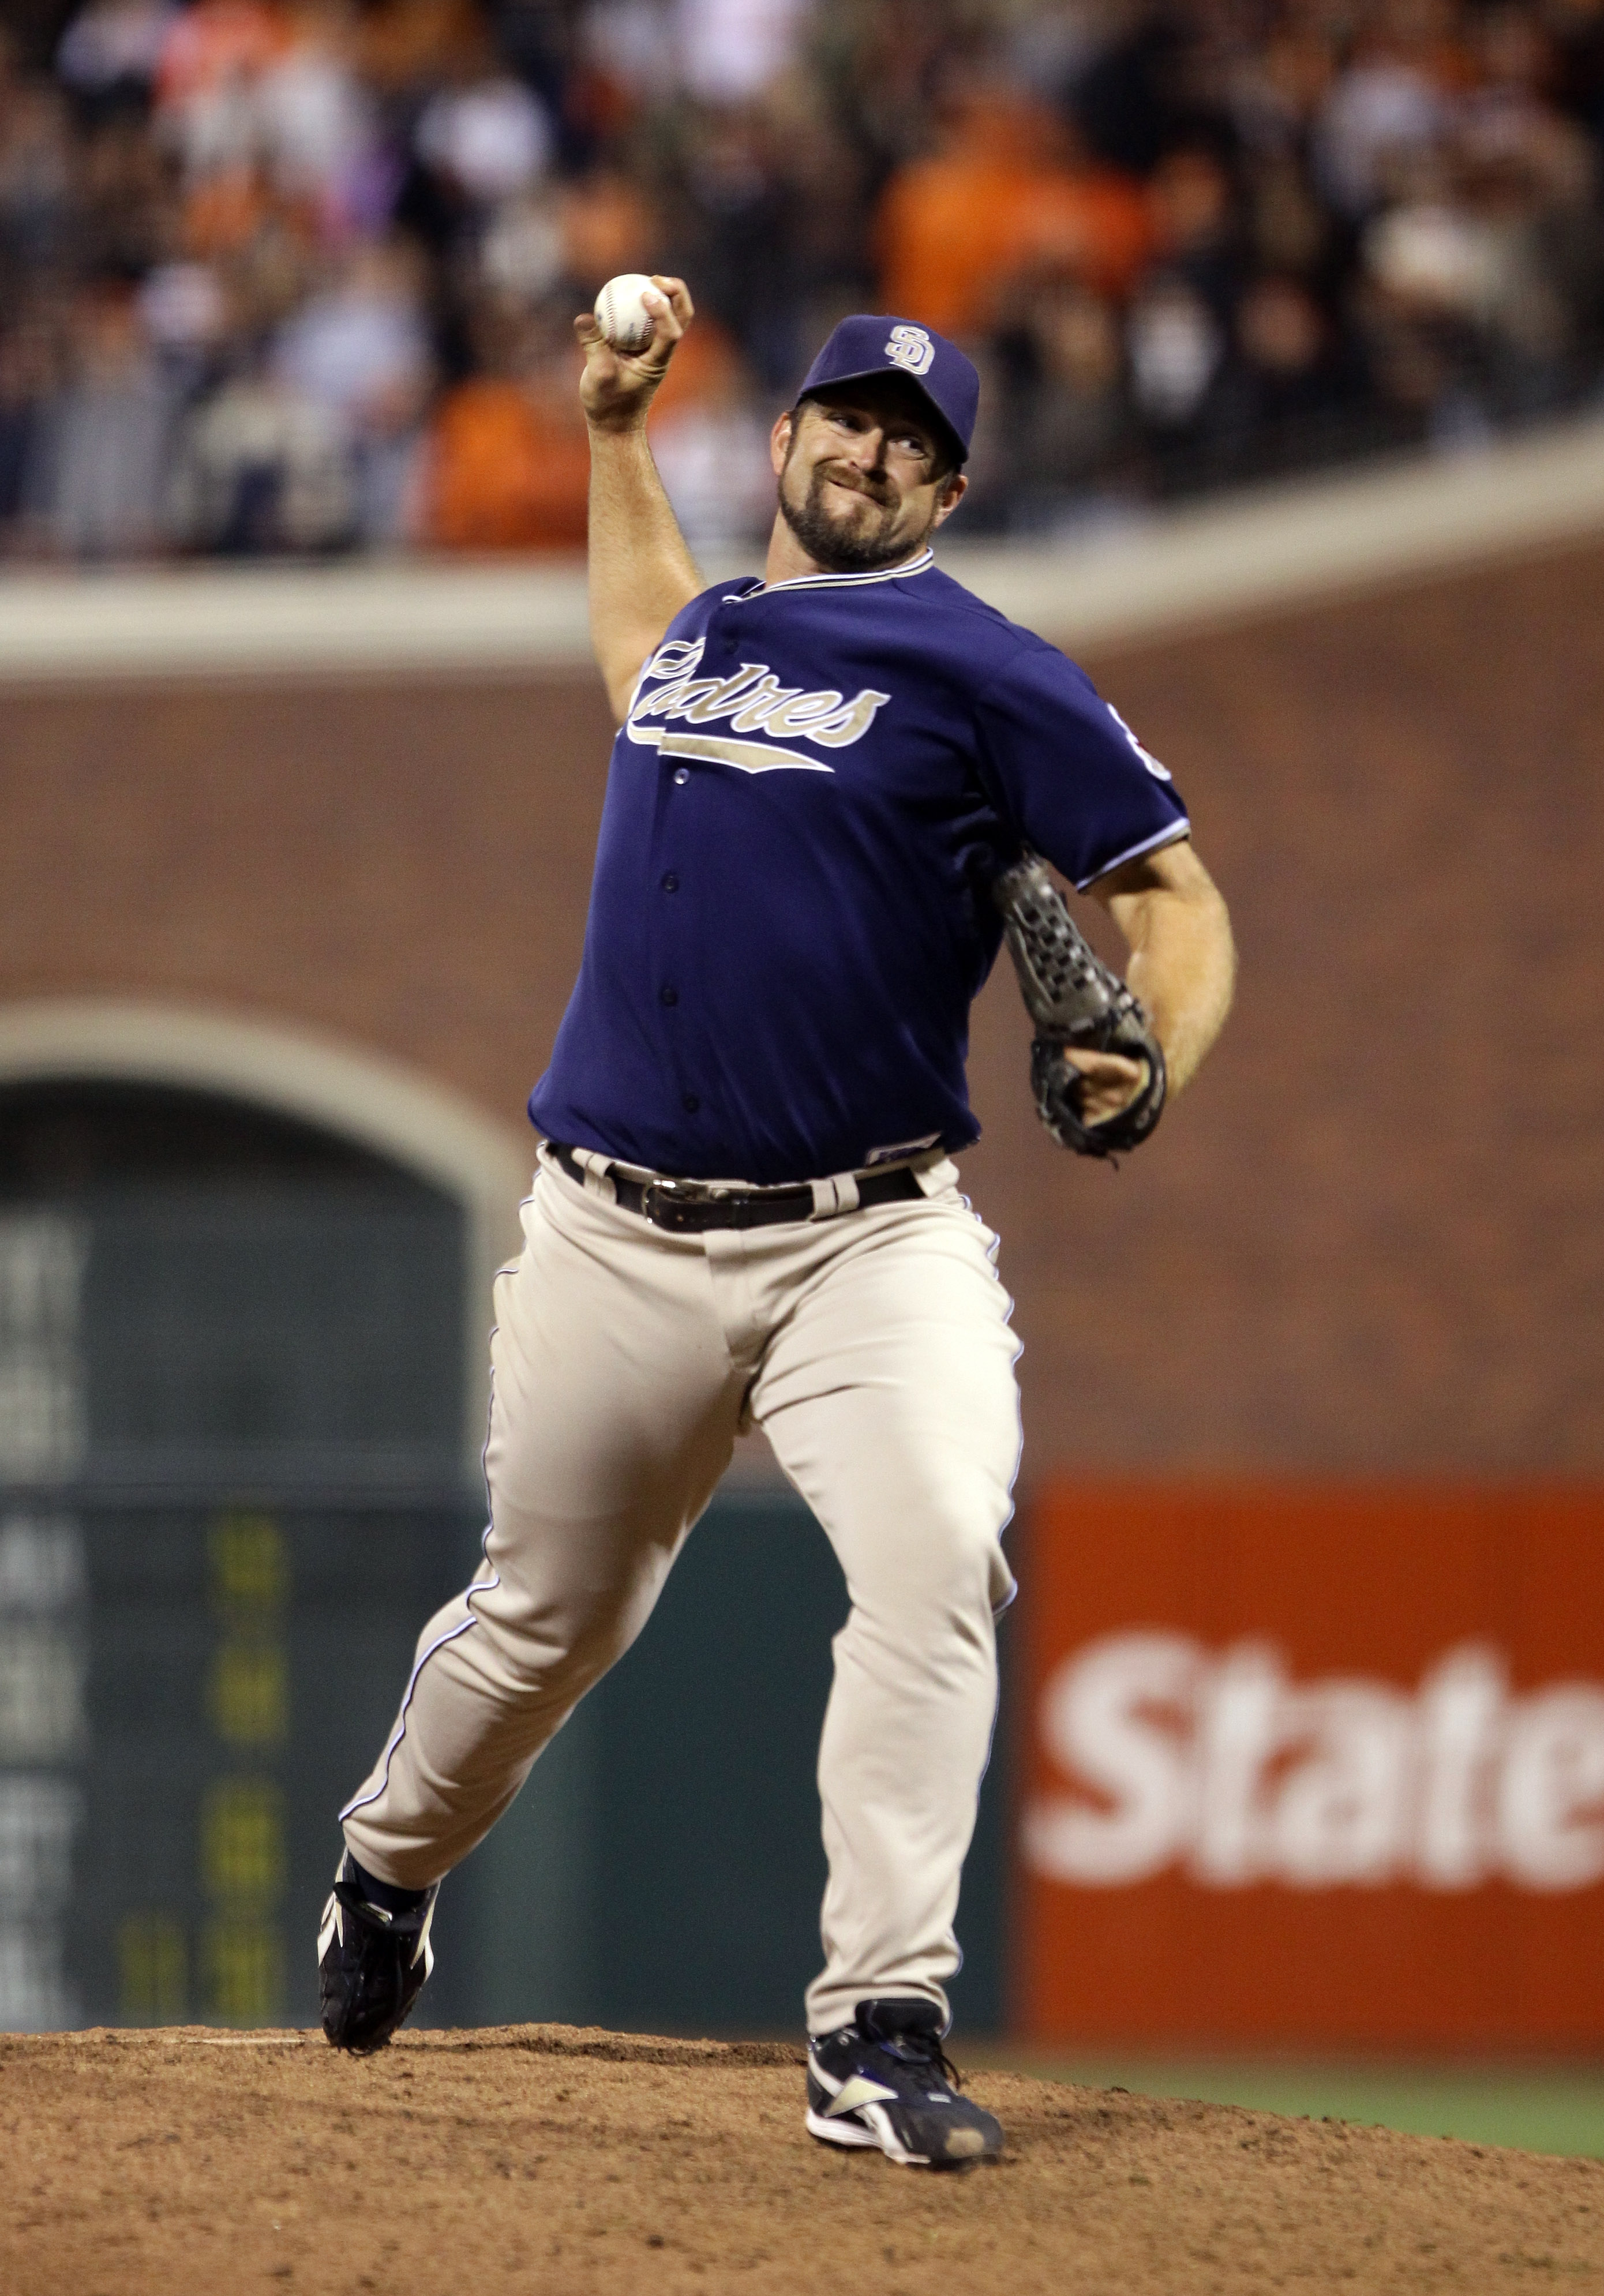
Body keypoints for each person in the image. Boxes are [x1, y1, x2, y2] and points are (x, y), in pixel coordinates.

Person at [317, 280, 1236, 2170]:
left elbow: (1179, 900)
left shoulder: (987, 670)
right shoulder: (706, 635)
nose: (878, 447)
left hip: (863, 1240)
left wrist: (1156, 1059)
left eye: (919, 439)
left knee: (935, 1550)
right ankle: (385, 1865)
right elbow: (637, 631)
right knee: (543, 1624)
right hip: (609, 1235)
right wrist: (605, 437)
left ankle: (874, 2023)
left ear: (950, 492)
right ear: (792, 437)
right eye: (852, 415)